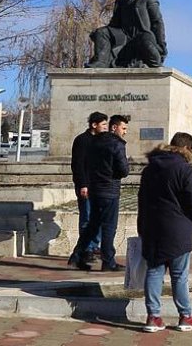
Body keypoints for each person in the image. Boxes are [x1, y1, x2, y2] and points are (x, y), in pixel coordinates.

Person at [138, 132, 192, 333]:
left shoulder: (149, 169)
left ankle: (153, 317)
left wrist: (142, 225)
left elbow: (142, 200)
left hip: (152, 227)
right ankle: (186, 316)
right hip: (178, 230)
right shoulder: (185, 169)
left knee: (154, 271)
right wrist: (190, 219)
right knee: (179, 275)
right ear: (187, 149)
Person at [68, 115, 130, 271]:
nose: (125, 132)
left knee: (93, 225)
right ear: (114, 127)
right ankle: (108, 261)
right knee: (109, 227)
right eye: (124, 128)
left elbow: (85, 165)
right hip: (109, 190)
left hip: (95, 190)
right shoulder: (116, 144)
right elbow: (123, 170)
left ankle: (77, 256)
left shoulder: (93, 142)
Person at [87, 0, 167, 68]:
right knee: (101, 32)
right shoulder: (121, 2)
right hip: (124, 36)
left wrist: (161, 45)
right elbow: (114, 24)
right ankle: (101, 62)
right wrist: (100, 34)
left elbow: (157, 22)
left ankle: (147, 65)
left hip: (142, 36)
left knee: (153, 57)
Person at [71, 111, 108, 262]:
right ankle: (86, 249)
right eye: (103, 124)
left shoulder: (102, 140)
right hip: (87, 186)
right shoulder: (82, 140)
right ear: (94, 125)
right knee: (87, 217)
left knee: (98, 218)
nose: (106, 127)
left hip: (99, 186)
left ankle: (94, 246)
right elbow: (78, 165)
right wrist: (83, 184)